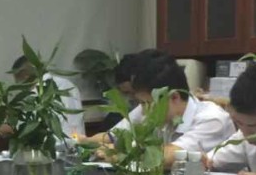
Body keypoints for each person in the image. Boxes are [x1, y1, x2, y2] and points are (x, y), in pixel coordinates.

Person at [89, 50, 233, 167]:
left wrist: (120, 153)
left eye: (146, 104)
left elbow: (170, 156)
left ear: (174, 97)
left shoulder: (212, 119)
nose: (143, 112)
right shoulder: (155, 108)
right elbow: (114, 137)